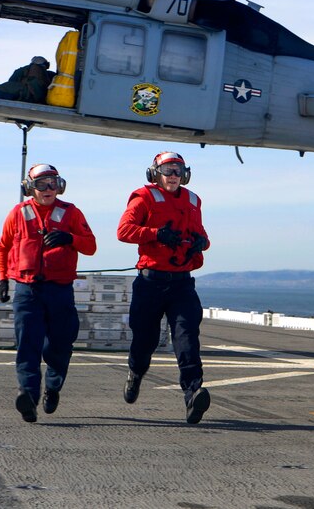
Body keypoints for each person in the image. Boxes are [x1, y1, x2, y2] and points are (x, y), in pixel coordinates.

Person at [0, 163, 97, 423]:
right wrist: (3, 279)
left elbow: (91, 246)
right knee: (27, 346)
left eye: (53, 183)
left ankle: (53, 386)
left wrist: (69, 238)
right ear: (30, 188)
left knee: (59, 345)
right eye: (42, 184)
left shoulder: (71, 213)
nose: (48, 189)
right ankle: (28, 397)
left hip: (60, 291)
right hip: (27, 291)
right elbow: (4, 247)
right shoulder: (17, 214)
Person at [117, 151, 212, 424]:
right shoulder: (143, 197)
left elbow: (203, 235)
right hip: (150, 283)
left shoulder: (194, 200)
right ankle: (135, 374)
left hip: (182, 283)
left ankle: (193, 394)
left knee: (187, 337)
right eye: (168, 170)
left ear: (185, 174)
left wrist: (201, 243)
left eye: (178, 170)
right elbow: (124, 231)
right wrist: (156, 233)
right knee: (144, 341)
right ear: (155, 173)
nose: (173, 176)